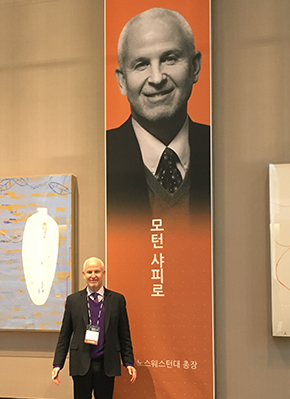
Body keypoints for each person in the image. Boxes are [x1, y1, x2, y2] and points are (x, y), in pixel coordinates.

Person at [107, 7, 210, 219]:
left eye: (170, 58)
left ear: (195, 67)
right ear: (122, 81)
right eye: (141, 64)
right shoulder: (101, 157)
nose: (156, 78)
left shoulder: (222, 150)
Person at [51, 257, 136, 399]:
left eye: (97, 271)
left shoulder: (117, 300)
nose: (93, 275)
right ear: (84, 274)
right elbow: (64, 335)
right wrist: (57, 364)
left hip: (106, 364)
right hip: (81, 363)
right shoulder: (73, 301)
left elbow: (124, 334)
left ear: (103, 273)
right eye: (89, 272)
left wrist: (128, 362)